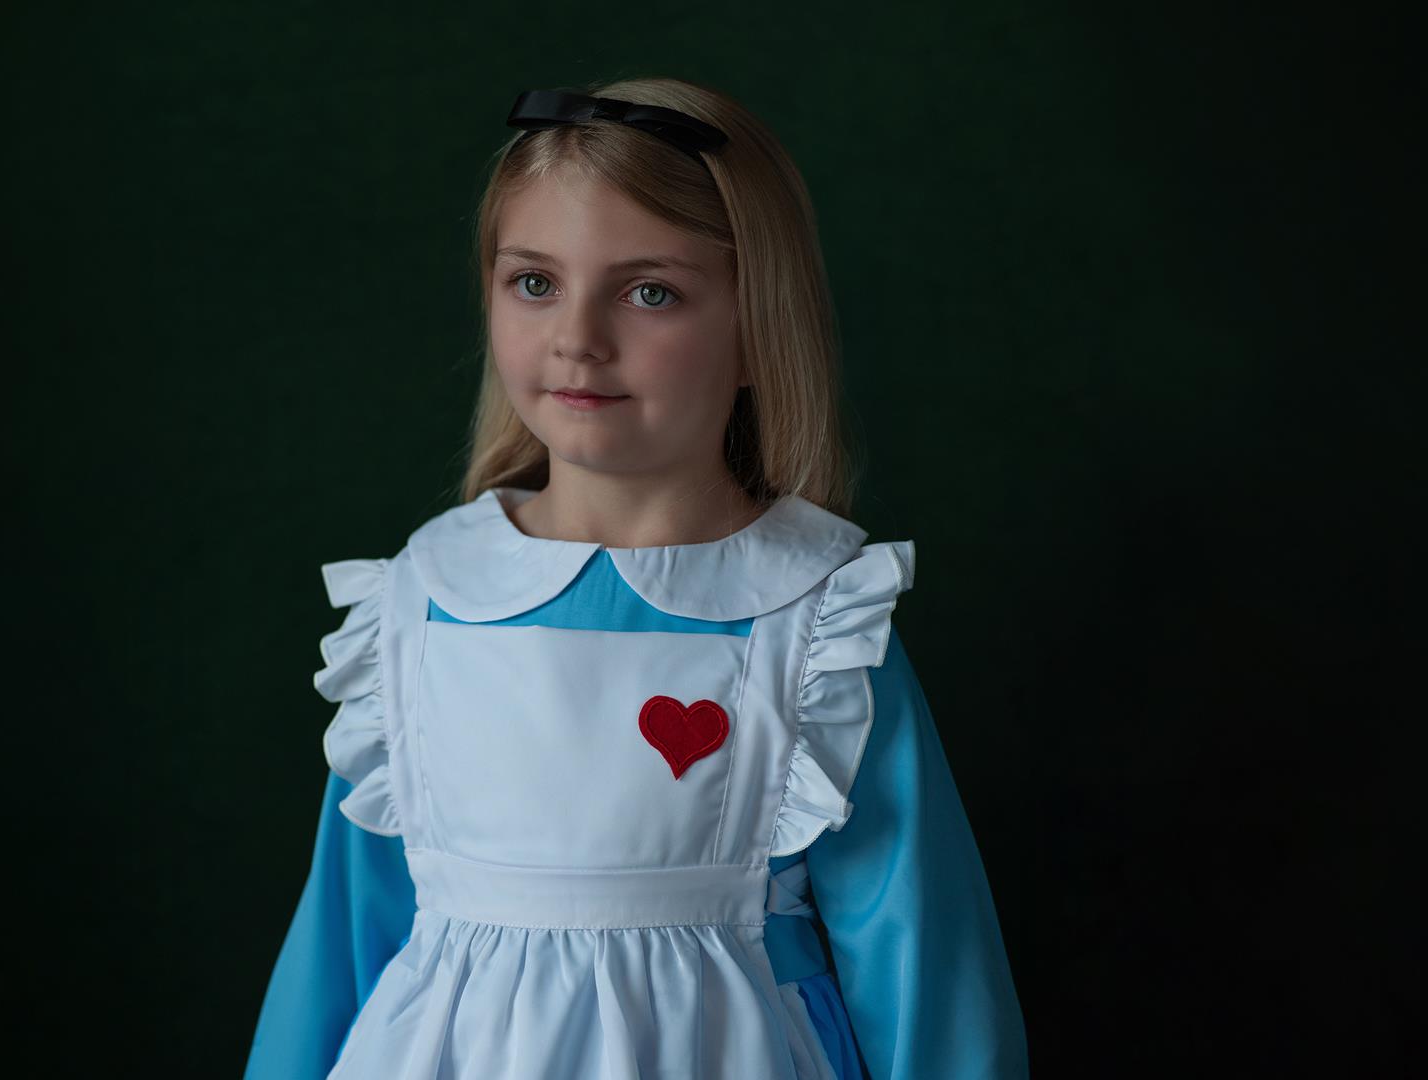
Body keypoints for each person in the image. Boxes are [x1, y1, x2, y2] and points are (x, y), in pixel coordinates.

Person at [243, 76, 1027, 1079]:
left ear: (757, 322)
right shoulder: (421, 603)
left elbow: (922, 966)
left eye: (648, 291)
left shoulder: (818, 624)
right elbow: (343, 945)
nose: (578, 338)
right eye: (535, 282)